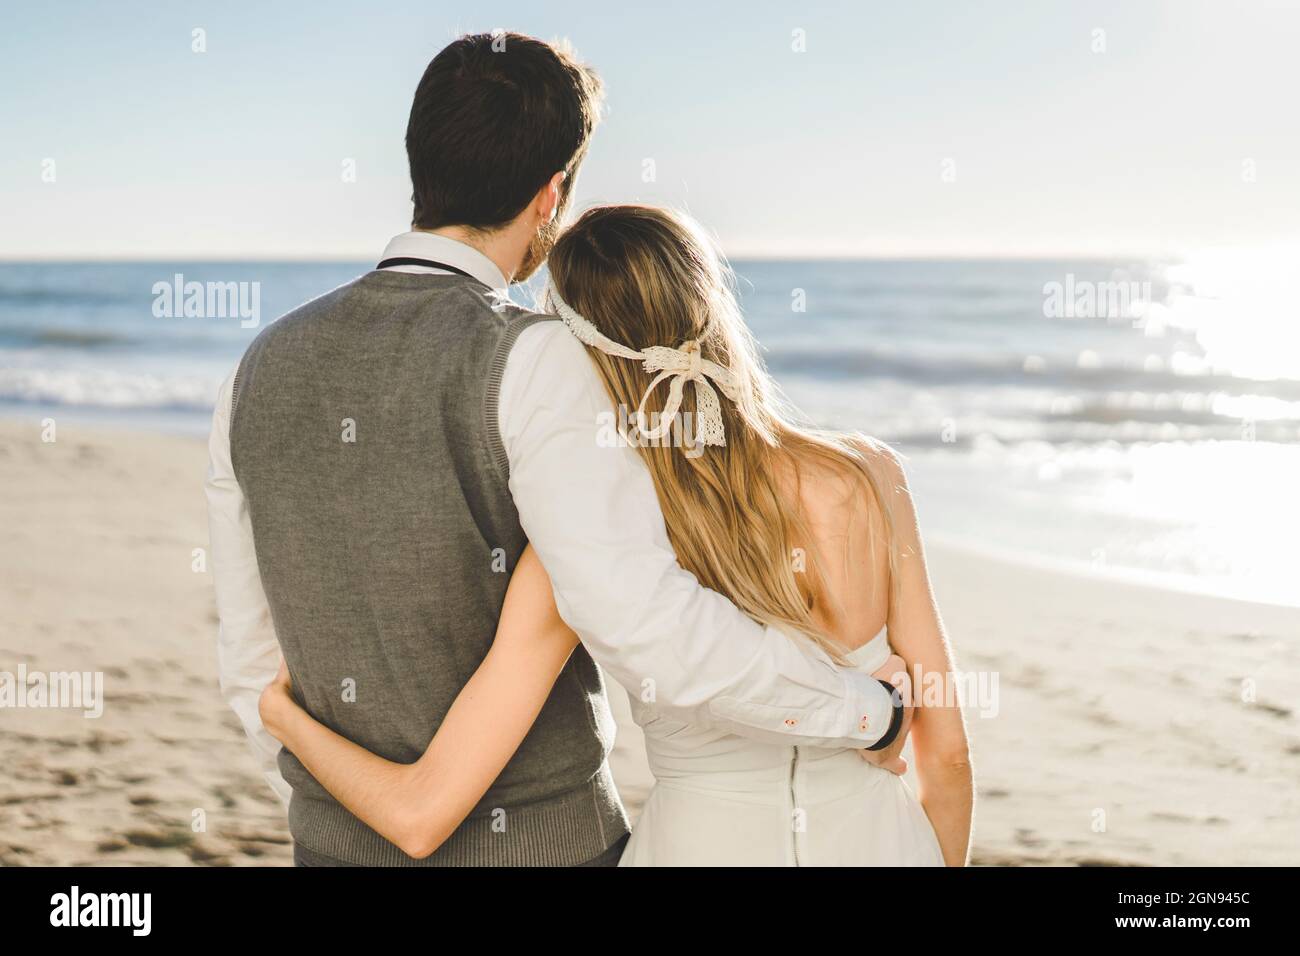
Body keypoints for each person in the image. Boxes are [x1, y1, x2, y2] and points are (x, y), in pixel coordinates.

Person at [206, 32, 909, 868]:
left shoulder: (254, 371)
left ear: (419, 164)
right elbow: (647, 628)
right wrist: (867, 712)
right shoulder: (535, 358)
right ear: (551, 195)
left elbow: (253, 665)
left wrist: (336, 806)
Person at [257, 204, 973, 866]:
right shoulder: (871, 477)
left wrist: (284, 716)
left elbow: (423, 812)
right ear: (712, 305)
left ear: (576, 351)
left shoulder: (589, 541)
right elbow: (946, 760)